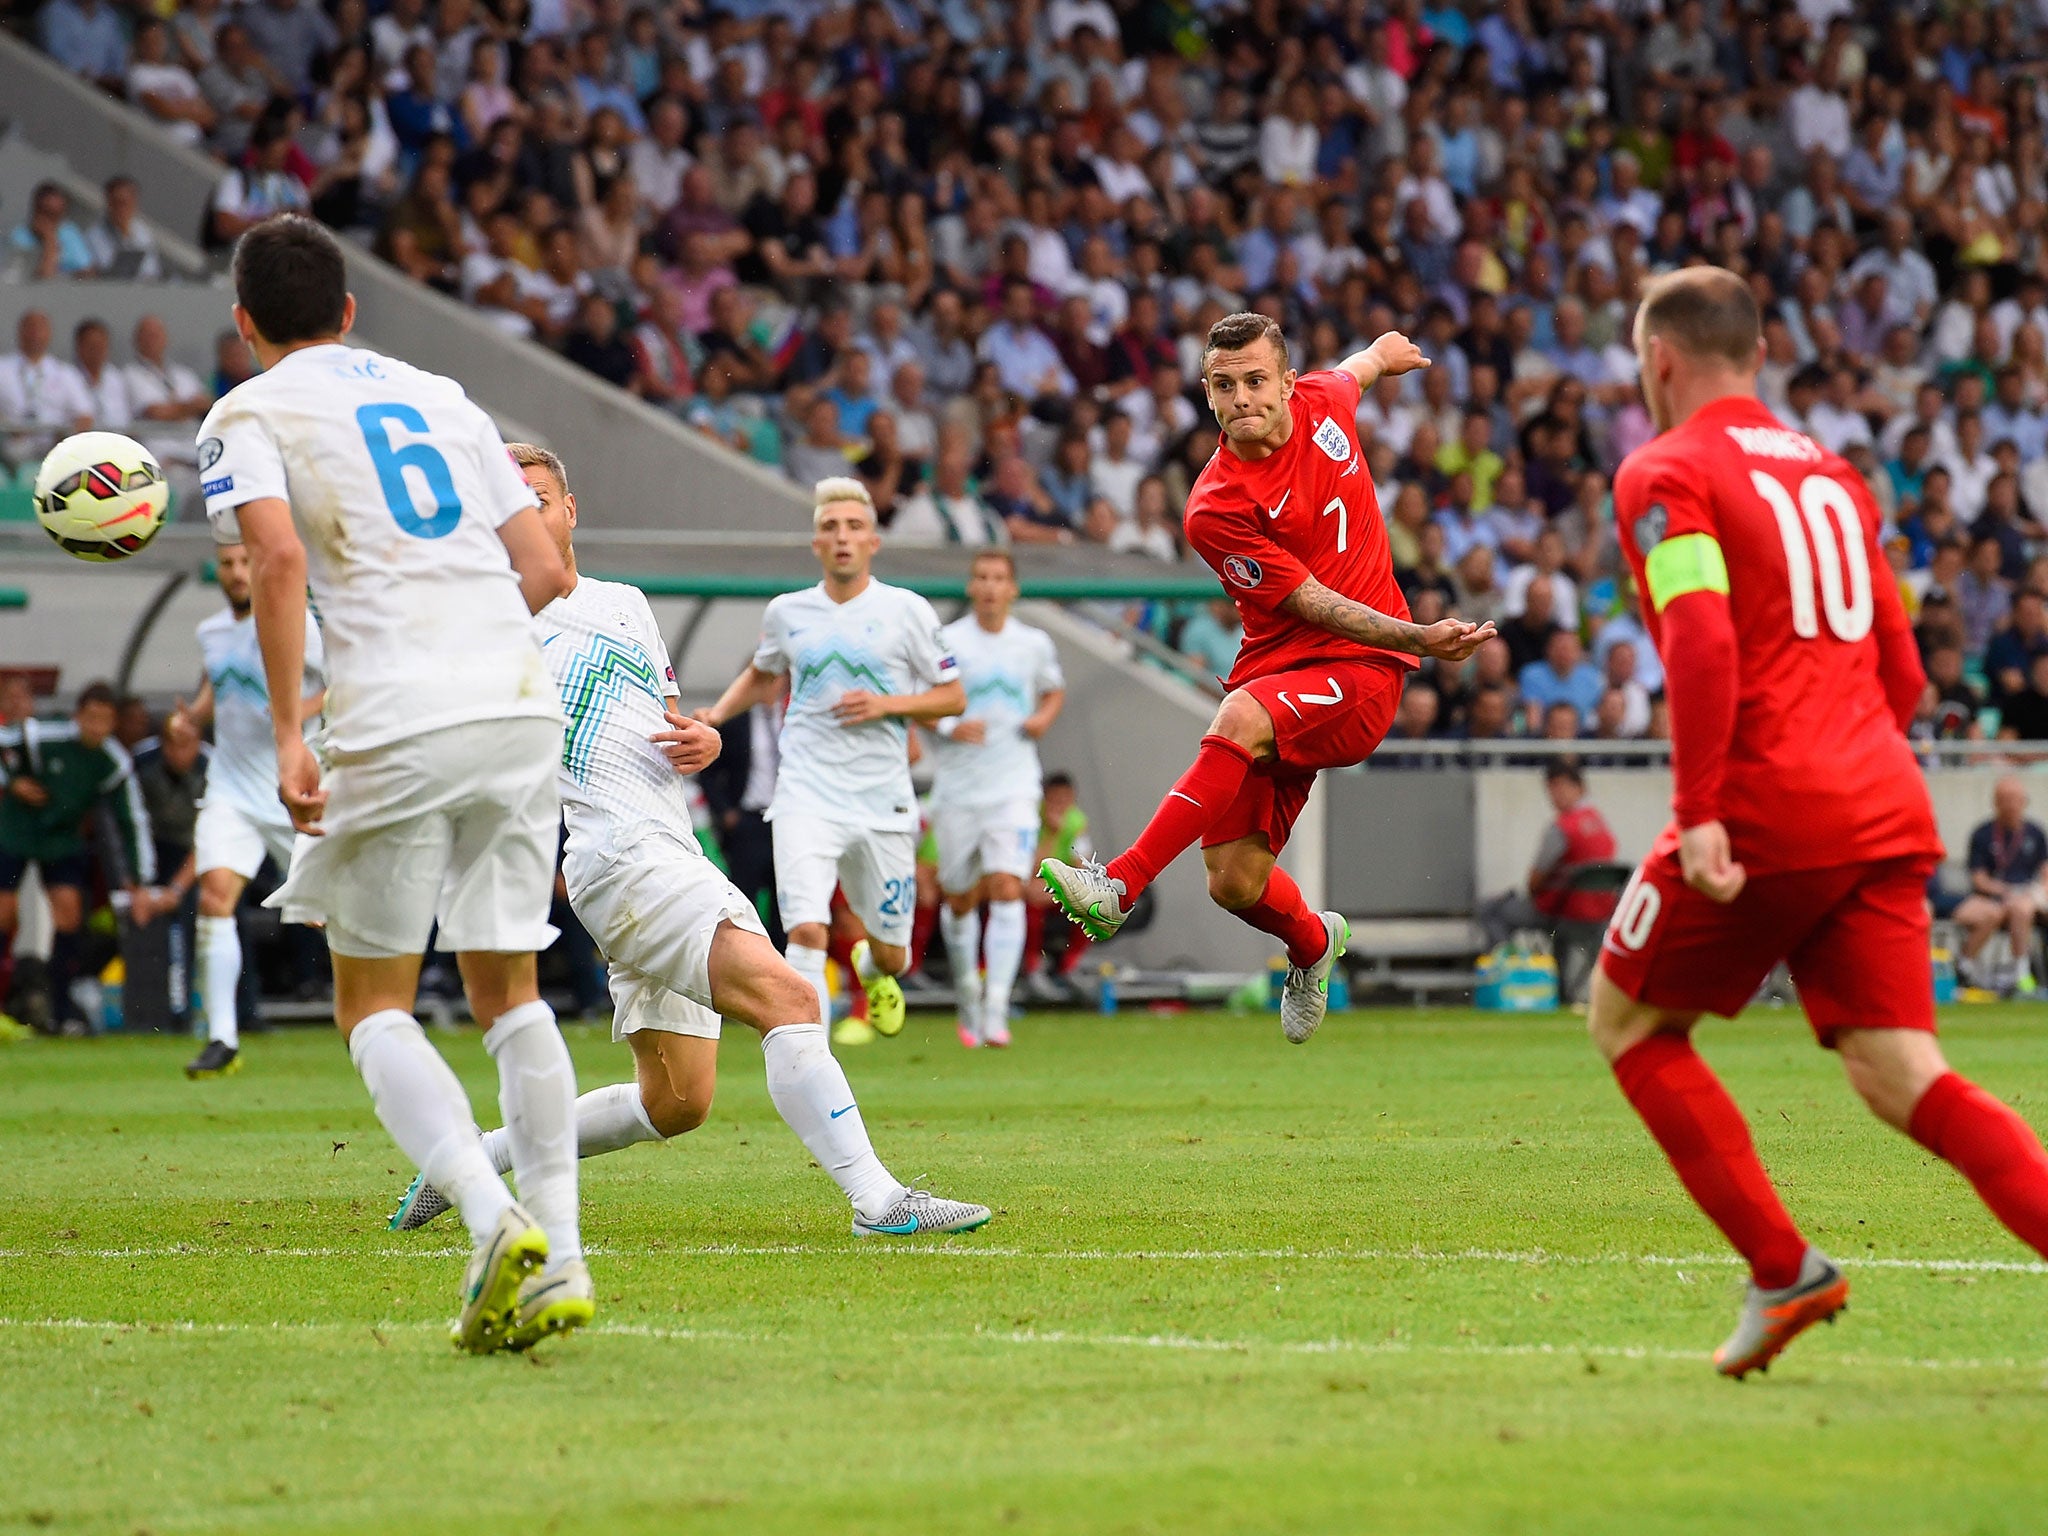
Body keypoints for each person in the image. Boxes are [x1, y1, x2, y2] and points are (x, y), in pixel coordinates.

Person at [1591, 266, 2048, 1381]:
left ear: (1659, 360)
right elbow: (1898, 663)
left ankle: (1781, 1266)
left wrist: (1703, 810)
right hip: (1880, 799)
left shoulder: (1664, 470)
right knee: (1902, 1073)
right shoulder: (1837, 477)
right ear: (1756, 353)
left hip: (1764, 801)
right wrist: (1850, 769)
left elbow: (1699, 641)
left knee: (1629, 1025)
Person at [390, 446, 989, 1240]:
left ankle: (471, 1157)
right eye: (505, 503)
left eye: (536, 497)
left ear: (570, 511)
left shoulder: (626, 602)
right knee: (792, 998)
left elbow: (668, 722)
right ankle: (878, 1200)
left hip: (663, 849)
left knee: (675, 1102)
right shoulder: (492, 633)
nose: (523, 514)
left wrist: (702, 740)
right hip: (621, 858)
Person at [197, 215, 585, 1354]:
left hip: (397, 713)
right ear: (351, 310)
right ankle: (560, 1260)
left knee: (370, 1000)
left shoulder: (248, 411)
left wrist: (287, 732)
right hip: (517, 703)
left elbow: (275, 559)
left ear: (245, 324)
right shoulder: (446, 397)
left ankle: (486, 1217)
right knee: (509, 988)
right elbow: (548, 570)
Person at [1039, 312, 1493, 1045]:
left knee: (1243, 719)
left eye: (1256, 380)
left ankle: (1119, 883)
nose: (1243, 397)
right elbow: (1310, 601)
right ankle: (1314, 945)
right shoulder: (1216, 507)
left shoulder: (1324, 402)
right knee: (1234, 881)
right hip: (1289, 665)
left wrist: (1383, 351)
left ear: (1287, 384)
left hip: (1366, 673)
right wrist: (1424, 635)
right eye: (1225, 385)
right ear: (1208, 396)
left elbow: (1355, 370)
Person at [698, 479, 966, 1047]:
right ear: (816, 543)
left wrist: (888, 704)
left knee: (894, 954)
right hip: (805, 796)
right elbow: (766, 672)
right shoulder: (788, 613)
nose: (841, 537)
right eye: (829, 527)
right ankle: (806, 1061)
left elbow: (952, 696)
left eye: (852, 527)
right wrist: (715, 714)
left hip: (883, 800)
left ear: (873, 540)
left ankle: (873, 971)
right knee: (807, 927)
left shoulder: (906, 611)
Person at [164, 541, 325, 1079]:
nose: (236, 573)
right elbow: (218, 687)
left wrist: (294, 712)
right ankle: (222, 1037)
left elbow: (343, 683)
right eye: (228, 564)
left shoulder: (300, 622)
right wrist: (192, 720)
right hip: (231, 789)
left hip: (295, 790)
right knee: (214, 898)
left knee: (334, 917)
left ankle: (382, 1018)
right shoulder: (211, 632)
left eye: (244, 563)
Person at [928, 550, 1066, 1048]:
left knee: (1008, 886)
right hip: (959, 790)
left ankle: (996, 1007)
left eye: (999, 578)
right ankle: (968, 991)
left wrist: (1043, 719)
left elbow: (1053, 691)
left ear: (1013, 589)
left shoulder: (1033, 643)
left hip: (1013, 785)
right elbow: (918, 701)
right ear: (970, 587)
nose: (989, 587)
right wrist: (948, 724)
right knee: (962, 898)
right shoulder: (948, 642)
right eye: (981, 578)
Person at [0, 682, 159, 1035]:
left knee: (69, 916)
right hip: (15, 831)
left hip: (61, 839)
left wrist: (138, 879)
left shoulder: (112, 761)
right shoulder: (45, 733)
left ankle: (58, 1009)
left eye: (104, 721)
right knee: (5, 913)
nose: (96, 728)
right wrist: (12, 783)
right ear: (77, 716)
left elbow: (131, 819)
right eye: (90, 718)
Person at [1477, 761, 1618, 947]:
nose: (1556, 795)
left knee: (1488, 910)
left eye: (1561, 787)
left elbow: (1534, 882)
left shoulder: (1561, 828)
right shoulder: (1599, 822)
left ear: (1580, 788)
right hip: (1599, 914)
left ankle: (1507, 969)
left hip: (1560, 912)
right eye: (1551, 789)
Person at [1951, 777, 2048, 995]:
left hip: (2027, 897)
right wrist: (2005, 891)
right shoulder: (1983, 834)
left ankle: (2021, 973)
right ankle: (1965, 967)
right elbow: (1979, 879)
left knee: (2022, 907)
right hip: (1992, 896)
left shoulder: (2035, 833)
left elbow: (2045, 871)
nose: (2011, 804)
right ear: (1996, 802)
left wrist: (2037, 891)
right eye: (2005, 799)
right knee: (1996, 912)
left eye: (2016, 799)